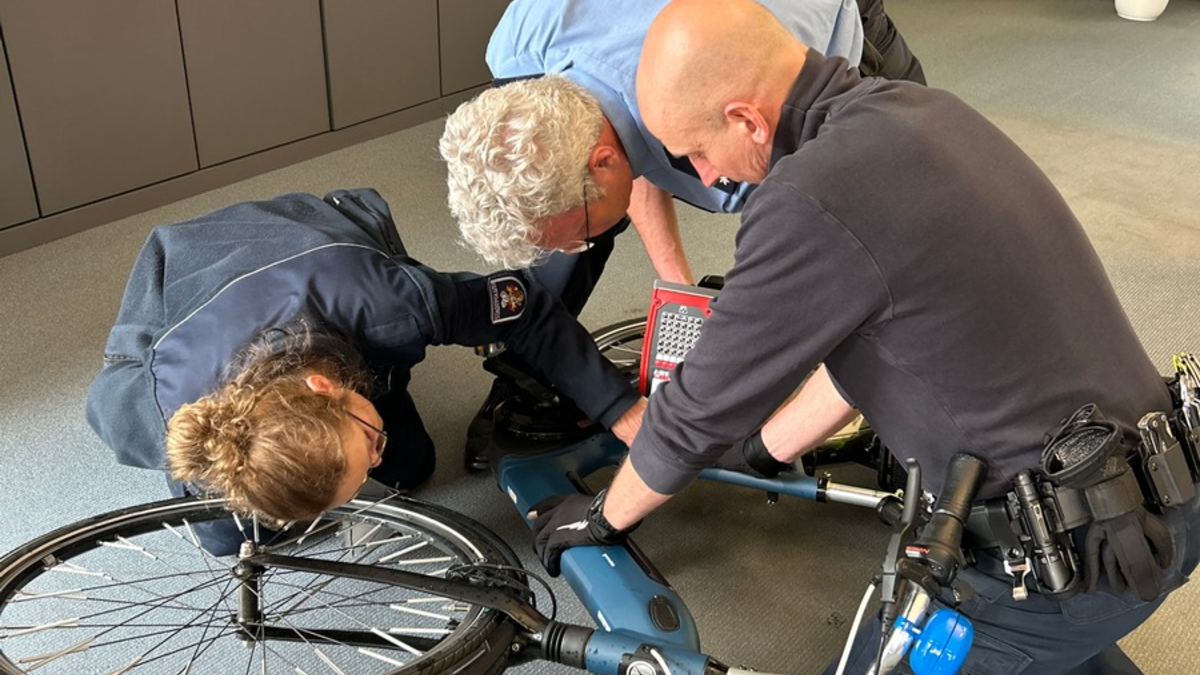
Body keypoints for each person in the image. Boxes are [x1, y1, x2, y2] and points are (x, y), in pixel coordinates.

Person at [528, 1, 1200, 673]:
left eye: (698, 153)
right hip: (1148, 510)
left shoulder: (808, 199)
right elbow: (881, 348)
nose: (704, 177)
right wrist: (764, 449)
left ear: (746, 119)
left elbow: (690, 416)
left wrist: (602, 516)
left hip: (1057, 571)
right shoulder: (916, 111)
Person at [85, 188, 644, 554]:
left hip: (304, 242)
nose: (376, 455)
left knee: (412, 467)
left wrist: (617, 408)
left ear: (326, 387)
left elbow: (524, 306)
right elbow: (103, 401)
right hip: (191, 291)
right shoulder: (173, 403)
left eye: (369, 442)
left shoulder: (391, 303)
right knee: (228, 540)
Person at [439, 0, 924, 318]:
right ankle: (532, 367)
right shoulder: (519, 49)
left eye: (579, 239)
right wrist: (678, 286)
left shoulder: (737, 88)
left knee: (910, 180)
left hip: (811, 12)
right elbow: (616, 130)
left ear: (603, 162)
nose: (576, 246)